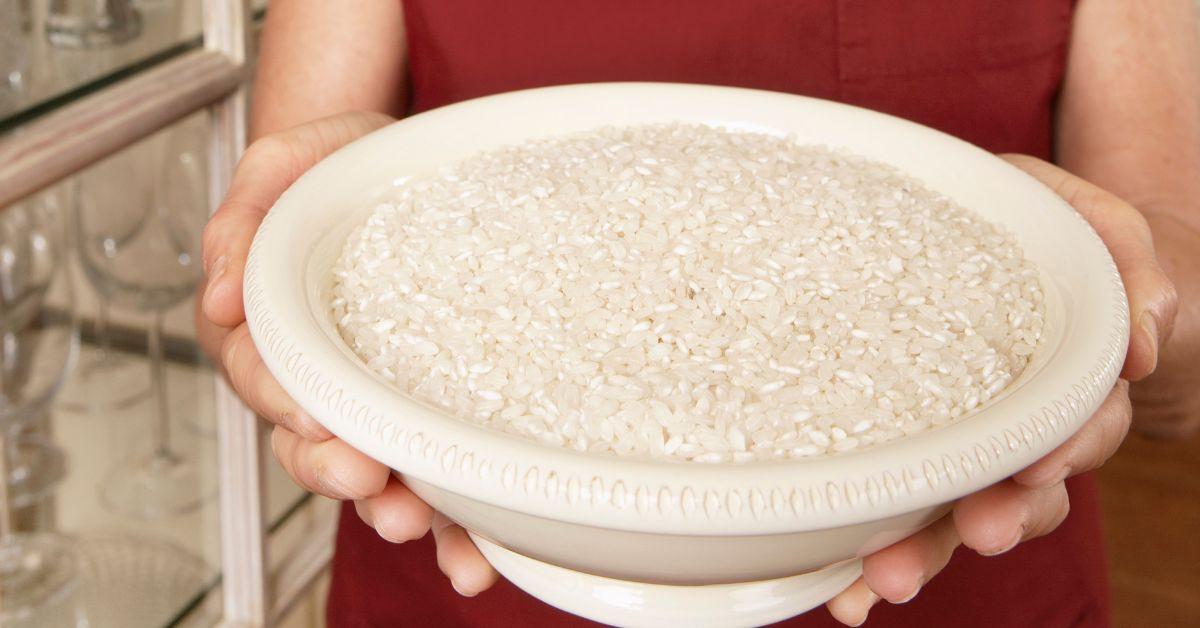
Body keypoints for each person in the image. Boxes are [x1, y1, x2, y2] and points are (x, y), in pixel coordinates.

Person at [197, 1, 1200, 625]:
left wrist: (1130, 303)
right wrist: (260, 289)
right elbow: (267, 280)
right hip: (454, 569)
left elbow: (1172, 325)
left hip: (966, 569)